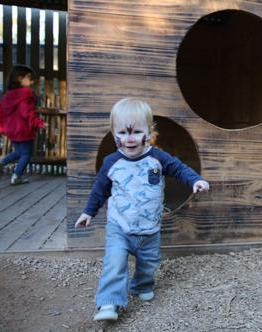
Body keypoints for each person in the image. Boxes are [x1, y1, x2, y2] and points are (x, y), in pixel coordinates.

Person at [74, 98, 209, 321]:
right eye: (123, 133)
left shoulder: (157, 158)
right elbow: (99, 190)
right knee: (114, 263)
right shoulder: (112, 163)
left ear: (149, 132)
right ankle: (109, 303)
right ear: (114, 134)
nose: (129, 139)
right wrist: (88, 212)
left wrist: (195, 180)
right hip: (120, 227)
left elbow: (179, 168)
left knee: (148, 264)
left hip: (149, 229)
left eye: (136, 132)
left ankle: (139, 285)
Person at [0, 64, 46, 184]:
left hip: (12, 130)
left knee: (18, 152)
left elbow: (1, 113)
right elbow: (27, 112)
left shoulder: (7, 96)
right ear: (20, 79)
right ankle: (16, 176)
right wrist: (39, 123)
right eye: (29, 78)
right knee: (26, 153)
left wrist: (1, 127)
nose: (32, 81)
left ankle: (0, 163)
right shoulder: (25, 95)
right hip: (23, 129)